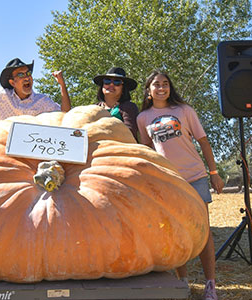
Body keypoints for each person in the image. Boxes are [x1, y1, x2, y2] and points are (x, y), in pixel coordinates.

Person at [136, 71, 224, 300]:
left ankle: (210, 285)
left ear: (170, 88)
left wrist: (213, 173)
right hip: (168, 181)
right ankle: (182, 281)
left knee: (203, 233)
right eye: (156, 84)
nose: (161, 88)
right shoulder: (143, 117)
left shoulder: (184, 111)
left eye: (165, 84)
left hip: (194, 176)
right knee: (176, 233)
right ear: (149, 90)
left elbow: (203, 141)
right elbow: (148, 152)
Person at [0, 42, 71, 119]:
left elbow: (64, 115)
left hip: (33, 151)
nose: (27, 77)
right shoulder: (0, 96)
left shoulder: (43, 101)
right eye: (21, 75)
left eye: (28, 73)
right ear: (12, 82)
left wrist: (62, 85)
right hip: (4, 149)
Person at [93, 67, 139, 140]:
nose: (111, 84)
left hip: (121, 149)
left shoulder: (129, 107)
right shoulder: (94, 108)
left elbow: (130, 134)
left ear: (123, 88)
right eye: (107, 81)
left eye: (117, 82)